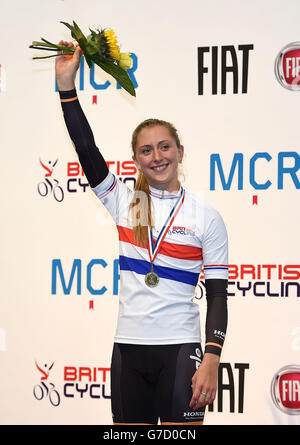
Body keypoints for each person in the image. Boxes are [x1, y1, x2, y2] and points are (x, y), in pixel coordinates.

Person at [55, 42, 228, 425]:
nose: (157, 156)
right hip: (128, 350)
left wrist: (212, 358)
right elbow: (87, 149)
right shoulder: (126, 202)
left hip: (182, 350)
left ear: (180, 152)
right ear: (136, 159)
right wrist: (66, 85)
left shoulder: (206, 217)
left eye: (165, 147)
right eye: (146, 150)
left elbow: (217, 294)